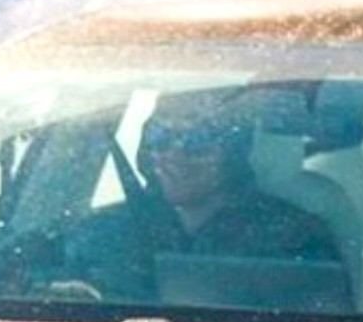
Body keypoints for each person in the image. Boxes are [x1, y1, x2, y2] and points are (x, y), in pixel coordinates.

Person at [56, 88, 346, 305]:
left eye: (198, 141)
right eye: (160, 137)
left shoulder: (295, 238)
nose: (174, 155)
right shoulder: (100, 232)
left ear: (234, 150)